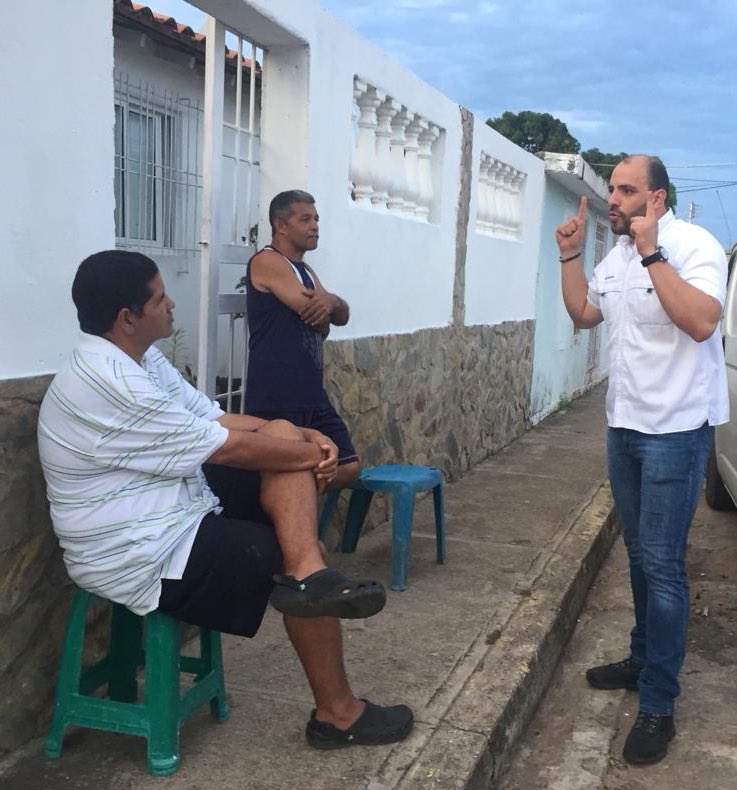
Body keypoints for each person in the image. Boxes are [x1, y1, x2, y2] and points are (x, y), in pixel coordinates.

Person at [37, 250, 413, 749]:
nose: (172, 303)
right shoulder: (110, 380)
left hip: (171, 509)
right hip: (139, 552)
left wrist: (299, 433)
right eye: (159, 297)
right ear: (128, 318)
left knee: (280, 441)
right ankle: (337, 711)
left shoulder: (139, 357)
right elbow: (229, 447)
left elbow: (213, 417)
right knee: (285, 544)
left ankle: (308, 577)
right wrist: (308, 454)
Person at [556, 155, 728, 765]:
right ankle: (640, 655)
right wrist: (570, 258)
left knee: (663, 567)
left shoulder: (693, 245)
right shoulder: (617, 255)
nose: (613, 198)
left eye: (625, 190)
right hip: (623, 426)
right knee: (637, 553)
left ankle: (659, 701)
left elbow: (703, 323)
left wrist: (655, 254)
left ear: (656, 198)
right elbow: (584, 314)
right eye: (610, 188)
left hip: (675, 432)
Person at [244, 190, 360, 491]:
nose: (315, 226)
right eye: (305, 219)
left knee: (348, 465)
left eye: (316, 218)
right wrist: (326, 310)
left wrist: (331, 302)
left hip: (310, 392)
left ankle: (297, 509)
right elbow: (311, 311)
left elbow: (338, 316)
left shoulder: (305, 270)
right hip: (277, 393)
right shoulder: (268, 261)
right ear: (281, 225)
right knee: (282, 472)